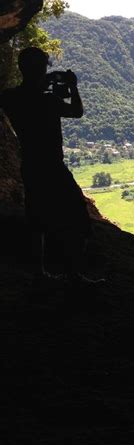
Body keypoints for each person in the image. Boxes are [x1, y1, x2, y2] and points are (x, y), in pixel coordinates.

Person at [0, 46, 103, 285]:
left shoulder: (11, 98)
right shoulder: (49, 101)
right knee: (75, 216)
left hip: (30, 165)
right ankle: (74, 273)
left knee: (37, 218)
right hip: (53, 167)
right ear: (40, 69)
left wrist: (40, 82)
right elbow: (77, 111)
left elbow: (20, 94)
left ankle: (39, 272)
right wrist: (73, 86)